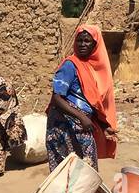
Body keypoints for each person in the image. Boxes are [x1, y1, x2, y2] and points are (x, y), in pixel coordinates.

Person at [47, 24, 118, 171]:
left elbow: (92, 101)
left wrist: (104, 126)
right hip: (64, 125)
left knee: (85, 168)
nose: (82, 45)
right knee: (67, 169)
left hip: (82, 125)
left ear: (95, 44)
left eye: (87, 41)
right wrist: (81, 117)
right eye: (79, 40)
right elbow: (57, 98)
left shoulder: (92, 68)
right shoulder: (70, 65)